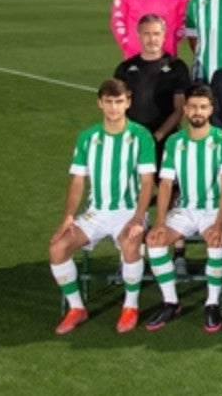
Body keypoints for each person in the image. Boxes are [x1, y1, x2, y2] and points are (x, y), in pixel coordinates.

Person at [50, 78, 156, 335]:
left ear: (128, 102)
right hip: (95, 213)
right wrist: (67, 218)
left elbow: (147, 183)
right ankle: (77, 308)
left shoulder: (141, 136)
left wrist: (138, 218)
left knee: (131, 244)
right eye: (108, 102)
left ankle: (130, 306)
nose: (113, 108)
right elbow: (77, 181)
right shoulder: (87, 137)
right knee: (57, 248)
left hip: (129, 211)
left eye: (119, 102)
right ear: (100, 103)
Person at [142, 84, 222, 332]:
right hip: (184, 209)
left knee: (216, 241)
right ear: (185, 110)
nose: (198, 111)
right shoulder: (174, 142)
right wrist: (160, 222)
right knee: (155, 240)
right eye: (193, 107)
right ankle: (170, 301)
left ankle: (212, 302)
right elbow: (165, 185)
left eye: (203, 107)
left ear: (211, 110)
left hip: (214, 209)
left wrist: (219, 223)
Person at [113, 14, 191, 158]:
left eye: (156, 33)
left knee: (164, 180)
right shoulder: (124, 68)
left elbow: (180, 109)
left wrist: (155, 137)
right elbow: (117, 107)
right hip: (133, 140)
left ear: (164, 35)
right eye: (146, 34)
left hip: (167, 141)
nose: (152, 39)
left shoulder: (177, 67)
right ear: (139, 35)